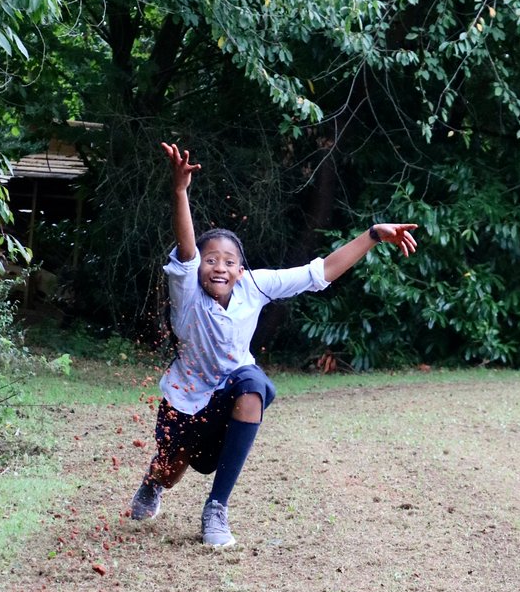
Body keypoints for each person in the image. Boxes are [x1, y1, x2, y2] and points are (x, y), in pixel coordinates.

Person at [130, 142, 418, 548]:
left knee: (254, 385)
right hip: (186, 400)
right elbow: (189, 247)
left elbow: (321, 272)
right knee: (172, 469)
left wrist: (372, 235)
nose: (219, 267)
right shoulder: (186, 288)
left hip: (228, 393)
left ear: (241, 270)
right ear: (197, 269)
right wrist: (180, 192)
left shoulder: (254, 285)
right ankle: (153, 482)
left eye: (229, 262)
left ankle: (216, 509)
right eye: (212, 260)